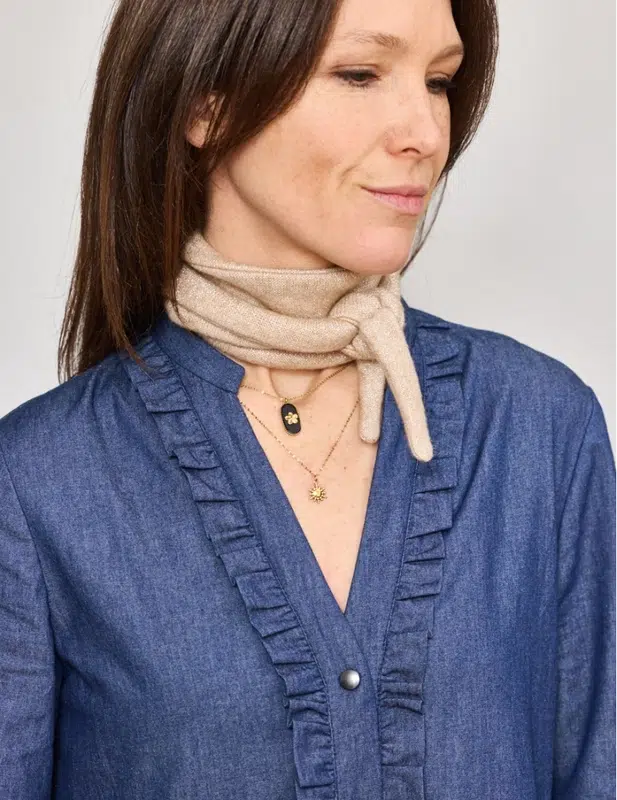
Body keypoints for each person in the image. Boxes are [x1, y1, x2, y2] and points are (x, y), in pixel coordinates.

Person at [0, 0, 614, 797]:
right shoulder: (37, 482)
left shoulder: (541, 430)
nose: (426, 133)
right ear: (205, 106)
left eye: (438, 82)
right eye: (359, 74)